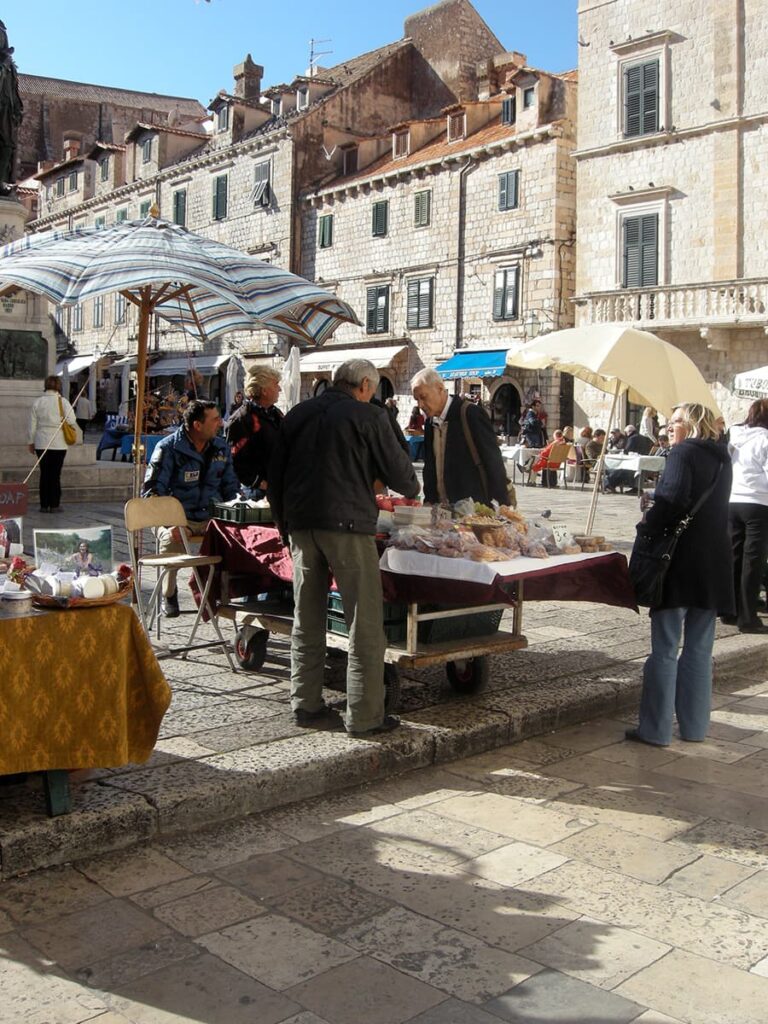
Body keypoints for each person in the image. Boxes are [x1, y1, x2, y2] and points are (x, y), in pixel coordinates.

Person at [269, 358, 418, 737]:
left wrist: (285, 526)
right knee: (363, 622)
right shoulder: (368, 416)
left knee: (307, 616)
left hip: (302, 526)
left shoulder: (297, 414)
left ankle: (305, 703)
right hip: (349, 526)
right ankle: (365, 715)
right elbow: (405, 477)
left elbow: (275, 477)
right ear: (366, 384)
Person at [626, 403, 734, 747]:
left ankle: (655, 730)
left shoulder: (683, 453)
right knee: (700, 650)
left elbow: (672, 500)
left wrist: (648, 520)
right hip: (713, 562)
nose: (668, 428)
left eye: (674, 422)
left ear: (689, 424)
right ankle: (694, 727)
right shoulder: (722, 457)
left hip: (678, 560)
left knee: (665, 648)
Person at [143, 399, 239, 617]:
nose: (221, 423)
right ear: (197, 425)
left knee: (237, 538)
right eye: (215, 419)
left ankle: (218, 593)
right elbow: (152, 493)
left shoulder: (221, 447)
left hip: (209, 516)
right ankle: (169, 593)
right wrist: (170, 524)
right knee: (170, 538)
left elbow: (230, 487)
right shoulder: (168, 448)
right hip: (176, 518)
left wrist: (235, 512)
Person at [412, 368, 508, 505]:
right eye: (417, 400)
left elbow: (493, 461)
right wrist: (430, 500)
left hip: (473, 508)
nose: (420, 405)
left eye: (423, 397)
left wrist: (503, 505)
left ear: (440, 389)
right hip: (441, 511)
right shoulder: (429, 423)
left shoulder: (470, 414)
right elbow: (430, 467)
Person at [726, 399, 768, 633]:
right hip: (759, 503)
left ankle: (730, 610)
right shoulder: (765, 439)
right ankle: (748, 617)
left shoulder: (736, 437)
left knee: (734, 557)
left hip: (734, 500)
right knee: (753, 561)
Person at [226, 368, 283, 497]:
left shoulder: (275, 414)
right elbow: (235, 460)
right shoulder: (243, 419)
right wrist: (260, 483)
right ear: (264, 390)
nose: (279, 389)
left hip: (276, 487)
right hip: (256, 491)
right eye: (276, 384)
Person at [28, 375, 77, 513]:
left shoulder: (38, 402)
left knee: (44, 474)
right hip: (59, 442)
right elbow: (72, 420)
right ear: (58, 386)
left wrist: (30, 442)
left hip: (41, 442)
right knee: (55, 474)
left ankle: (44, 504)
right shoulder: (63, 402)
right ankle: (54, 504)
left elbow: (32, 425)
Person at [0, 21, 23, 195]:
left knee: (7, 145)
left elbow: (14, 89)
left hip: (6, 109)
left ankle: (1, 181)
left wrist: (17, 109)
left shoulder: (10, 65)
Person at [604, 424, 653, 493]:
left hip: (633, 460)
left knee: (620, 469)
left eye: (626, 432)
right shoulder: (643, 438)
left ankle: (608, 484)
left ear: (629, 432)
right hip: (642, 460)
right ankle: (610, 485)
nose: (626, 434)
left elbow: (627, 450)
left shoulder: (632, 438)